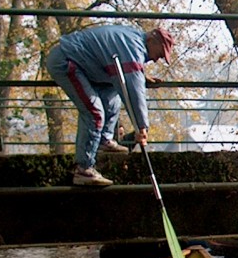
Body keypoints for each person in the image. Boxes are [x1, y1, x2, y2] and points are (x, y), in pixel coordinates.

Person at [46, 24, 174, 187]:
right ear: (151, 40)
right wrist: (142, 127)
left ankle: (104, 140)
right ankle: (83, 170)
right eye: (159, 54)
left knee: (113, 93)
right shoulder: (133, 48)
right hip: (67, 61)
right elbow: (134, 91)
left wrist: (140, 74)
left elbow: (127, 72)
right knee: (94, 113)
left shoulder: (132, 40)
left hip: (88, 66)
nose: (156, 59)